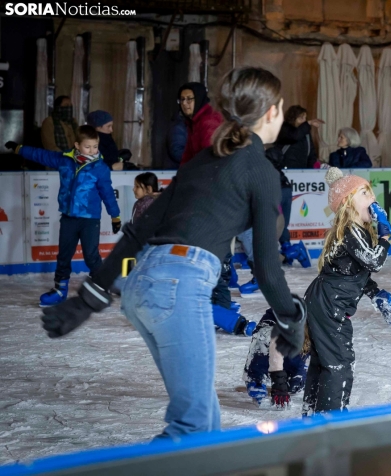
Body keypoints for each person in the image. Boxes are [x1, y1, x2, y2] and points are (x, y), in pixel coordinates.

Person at [38, 67, 307, 439]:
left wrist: (89, 298)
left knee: (203, 426)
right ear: (273, 112)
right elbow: (264, 264)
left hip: (143, 285)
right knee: (194, 426)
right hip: (180, 286)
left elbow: (140, 231)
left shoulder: (201, 160)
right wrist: (292, 319)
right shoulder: (259, 169)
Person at [302, 166, 391, 416]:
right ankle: (330, 420)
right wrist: (385, 236)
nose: (373, 198)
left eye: (372, 192)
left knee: (325, 361)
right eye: (365, 193)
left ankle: (312, 415)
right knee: (338, 363)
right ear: (347, 202)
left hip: (327, 302)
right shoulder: (350, 231)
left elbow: (356, 272)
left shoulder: (357, 232)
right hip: (328, 305)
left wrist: (376, 294)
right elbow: (374, 261)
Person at [5, 126, 121, 307]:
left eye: (95, 146)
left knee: (91, 256)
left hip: (89, 219)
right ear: (77, 145)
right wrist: (20, 149)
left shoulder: (100, 168)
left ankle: (102, 285)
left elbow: (107, 193)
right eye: (88, 146)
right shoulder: (65, 160)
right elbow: (41, 155)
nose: (92, 151)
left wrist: (115, 216)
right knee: (64, 255)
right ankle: (60, 290)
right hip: (68, 217)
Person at [243, 308, 310, 409]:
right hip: (274, 327)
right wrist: (279, 386)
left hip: (303, 329)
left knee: (295, 386)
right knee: (264, 345)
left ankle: (291, 374)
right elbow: (276, 355)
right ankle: (257, 380)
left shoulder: (322, 331)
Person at [178, 82, 224, 166]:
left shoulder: (209, 121)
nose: (184, 103)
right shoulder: (192, 122)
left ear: (198, 99)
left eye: (189, 99)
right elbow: (187, 156)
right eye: (182, 99)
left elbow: (210, 159)